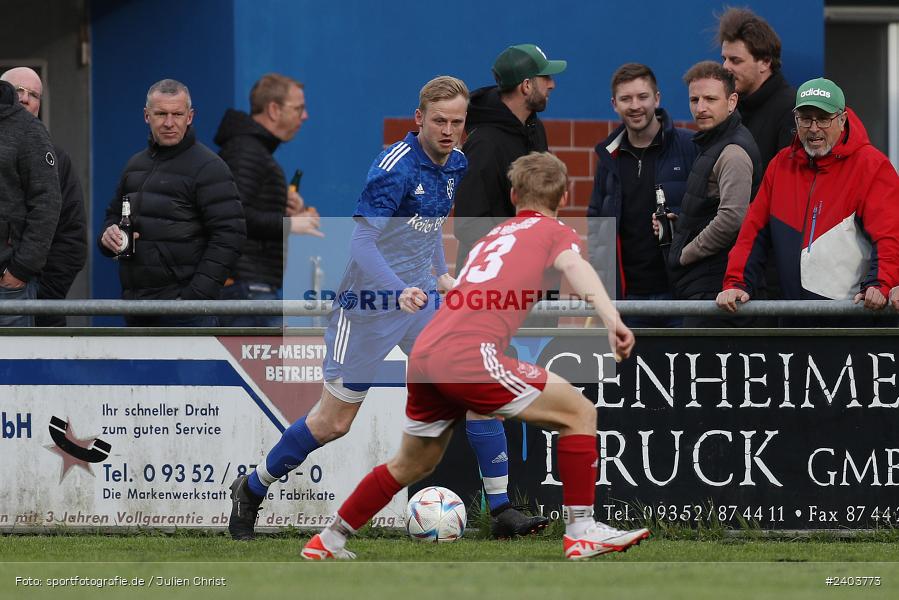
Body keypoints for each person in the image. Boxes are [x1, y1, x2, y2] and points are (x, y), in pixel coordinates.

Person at [228, 76, 547, 542]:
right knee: (333, 423)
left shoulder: (457, 162)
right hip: (367, 307)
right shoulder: (393, 167)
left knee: (481, 386)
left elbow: (430, 228)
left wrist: (441, 274)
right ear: (418, 118)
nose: (448, 130)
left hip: (419, 302)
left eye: (457, 122)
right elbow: (360, 243)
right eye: (439, 121)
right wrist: (398, 289)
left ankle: (501, 509)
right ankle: (253, 488)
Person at [300, 152, 649, 561]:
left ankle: (329, 539)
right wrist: (612, 319)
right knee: (580, 413)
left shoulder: (492, 237)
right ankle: (582, 530)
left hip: (428, 349)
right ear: (565, 195)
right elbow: (577, 268)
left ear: (515, 194)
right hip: (467, 354)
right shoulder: (556, 231)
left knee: (413, 463)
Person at [717, 78, 899, 323]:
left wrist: (881, 282)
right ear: (796, 121)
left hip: (854, 319)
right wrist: (737, 282)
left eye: (823, 118)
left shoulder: (872, 166)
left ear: (842, 120)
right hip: (793, 320)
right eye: (805, 118)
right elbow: (752, 233)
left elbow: (890, 235)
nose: (814, 128)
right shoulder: (781, 165)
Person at [98, 79, 246, 327]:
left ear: (190, 117)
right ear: (147, 116)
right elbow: (113, 216)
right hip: (137, 309)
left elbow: (231, 235)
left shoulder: (209, 167)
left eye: (177, 114)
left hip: (187, 314)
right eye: (160, 114)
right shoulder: (134, 166)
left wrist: (193, 298)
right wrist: (108, 237)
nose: (169, 123)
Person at [587, 63, 697, 328]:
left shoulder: (689, 147)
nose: (635, 105)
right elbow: (596, 223)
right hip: (627, 301)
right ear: (615, 104)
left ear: (657, 99)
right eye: (626, 99)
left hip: (680, 297)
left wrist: (677, 220)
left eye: (642, 97)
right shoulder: (608, 157)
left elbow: (709, 212)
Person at [215, 73, 322, 327]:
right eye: (298, 108)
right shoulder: (246, 150)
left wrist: (289, 212)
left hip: (252, 288)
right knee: (277, 365)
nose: (304, 116)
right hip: (246, 290)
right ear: (274, 110)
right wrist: (290, 224)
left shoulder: (252, 150)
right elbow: (234, 216)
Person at [657, 62, 760, 328]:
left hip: (717, 289)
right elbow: (712, 209)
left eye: (710, 99)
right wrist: (680, 224)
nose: (700, 107)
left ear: (731, 101)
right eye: (694, 99)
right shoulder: (713, 142)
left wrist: (685, 253)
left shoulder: (733, 152)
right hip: (707, 286)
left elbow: (732, 220)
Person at [453, 43, 566, 269]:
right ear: (526, 85)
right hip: (490, 283)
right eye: (545, 77)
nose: (552, 84)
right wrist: (520, 250)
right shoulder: (483, 144)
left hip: (529, 276)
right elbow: (468, 225)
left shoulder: (534, 128)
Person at [1, 67, 87, 327]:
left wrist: (30, 284)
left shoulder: (56, 158)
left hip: (23, 290)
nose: (25, 99)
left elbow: (71, 238)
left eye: (34, 94)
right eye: (18, 91)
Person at [0, 80, 61, 327]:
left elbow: (48, 203)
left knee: (10, 365)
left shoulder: (28, 130)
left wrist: (20, 270)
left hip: (7, 283)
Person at [718, 6, 795, 171]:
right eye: (724, 59)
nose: (725, 67)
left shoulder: (792, 110)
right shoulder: (732, 107)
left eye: (735, 60)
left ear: (765, 62)